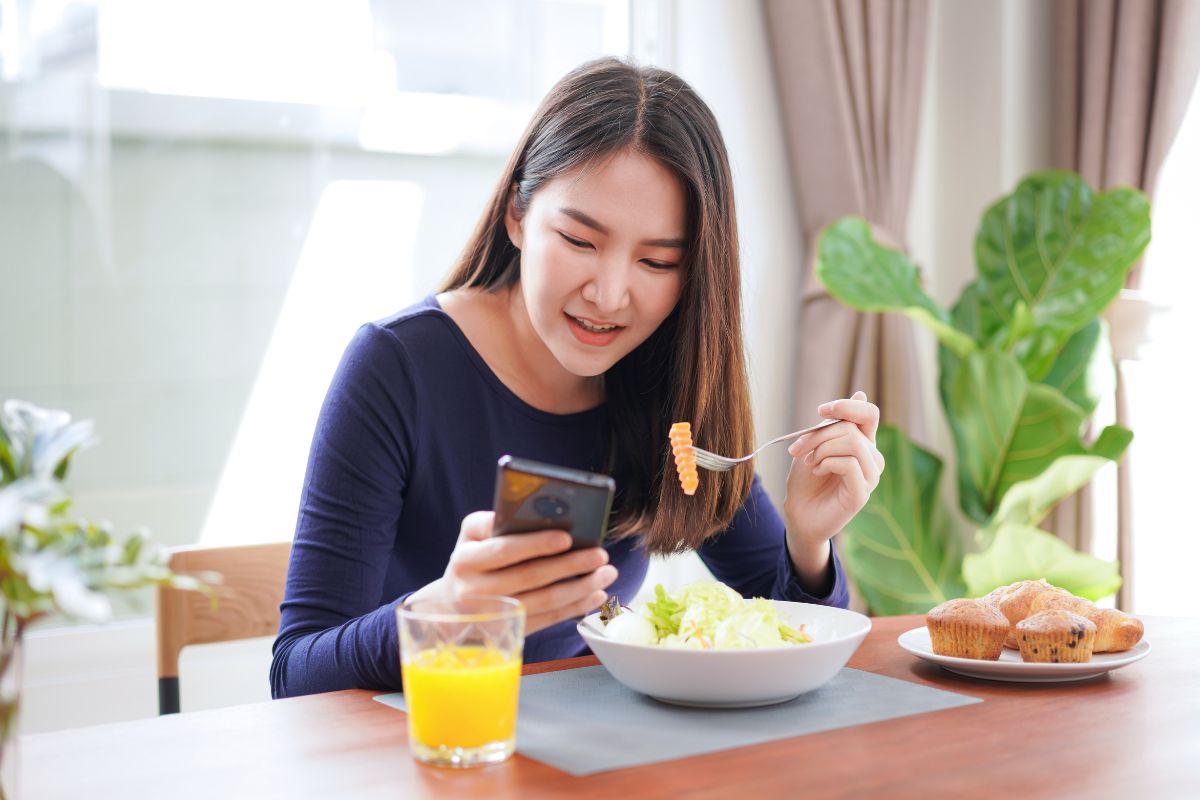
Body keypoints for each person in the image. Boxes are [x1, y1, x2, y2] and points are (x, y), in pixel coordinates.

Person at [271, 57, 883, 698]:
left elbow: (802, 629)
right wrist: (447, 614)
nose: (610, 294)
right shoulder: (397, 366)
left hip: (587, 761)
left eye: (656, 260)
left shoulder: (666, 386)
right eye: (580, 241)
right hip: (424, 751)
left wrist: (809, 539)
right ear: (517, 216)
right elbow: (295, 674)